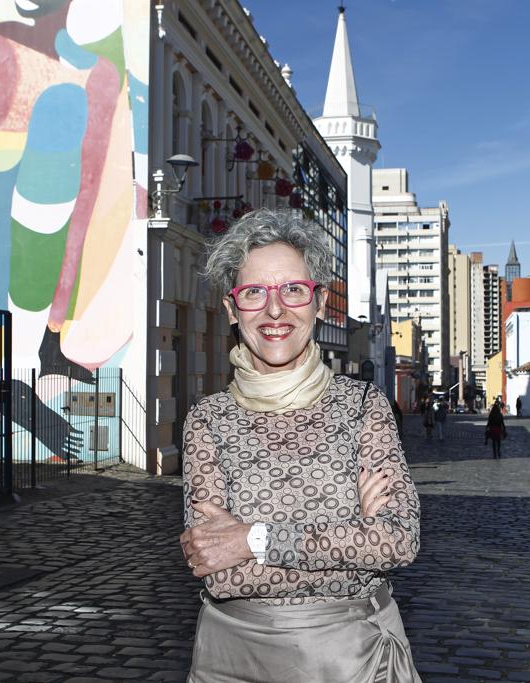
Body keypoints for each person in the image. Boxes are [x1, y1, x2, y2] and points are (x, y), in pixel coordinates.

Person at [180, 209, 421, 682]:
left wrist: (253, 538)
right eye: (254, 293)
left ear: (319, 302)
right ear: (232, 309)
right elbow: (217, 569)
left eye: (293, 289)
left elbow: (398, 539)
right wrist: (351, 536)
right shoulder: (207, 419)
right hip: (232, 661)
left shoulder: (362, 406)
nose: (274, 311)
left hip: (351, 660)